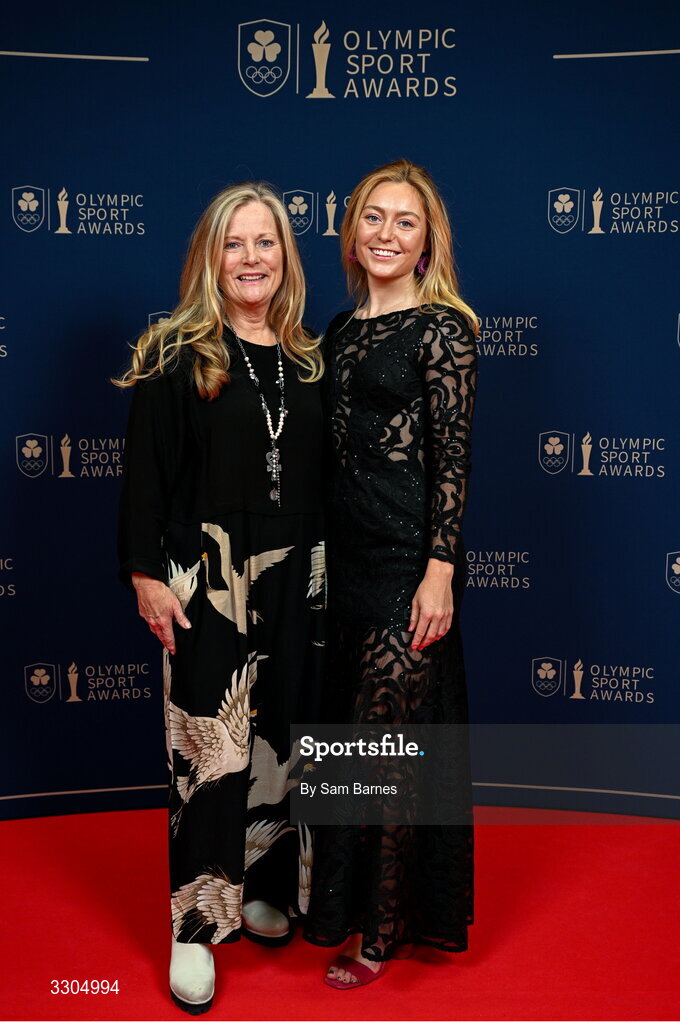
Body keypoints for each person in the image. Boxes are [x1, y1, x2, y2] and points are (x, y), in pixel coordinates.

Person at [115, 183, 325, 1014]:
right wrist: (144, 573)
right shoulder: (176, 351)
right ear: (211, 254)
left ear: (285, 256)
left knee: (283, 734)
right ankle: (196, 927)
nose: (251, 258)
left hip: (299, 571)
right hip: (208, 579)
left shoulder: (308, 358)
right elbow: (144, 479)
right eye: (234, 243)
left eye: (265, 242)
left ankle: (266, 885)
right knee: (210, 749)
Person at [303, 159, 478, 987]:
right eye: (374, 216)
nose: (386, 233)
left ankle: (379, 931)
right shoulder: (337, 332)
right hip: (346, 567)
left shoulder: (443, 331)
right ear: (351, 230)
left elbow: (452, 460)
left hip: (409, 563)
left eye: (405, 221)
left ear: (426, 241)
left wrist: (439, 569)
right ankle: (346, 907)